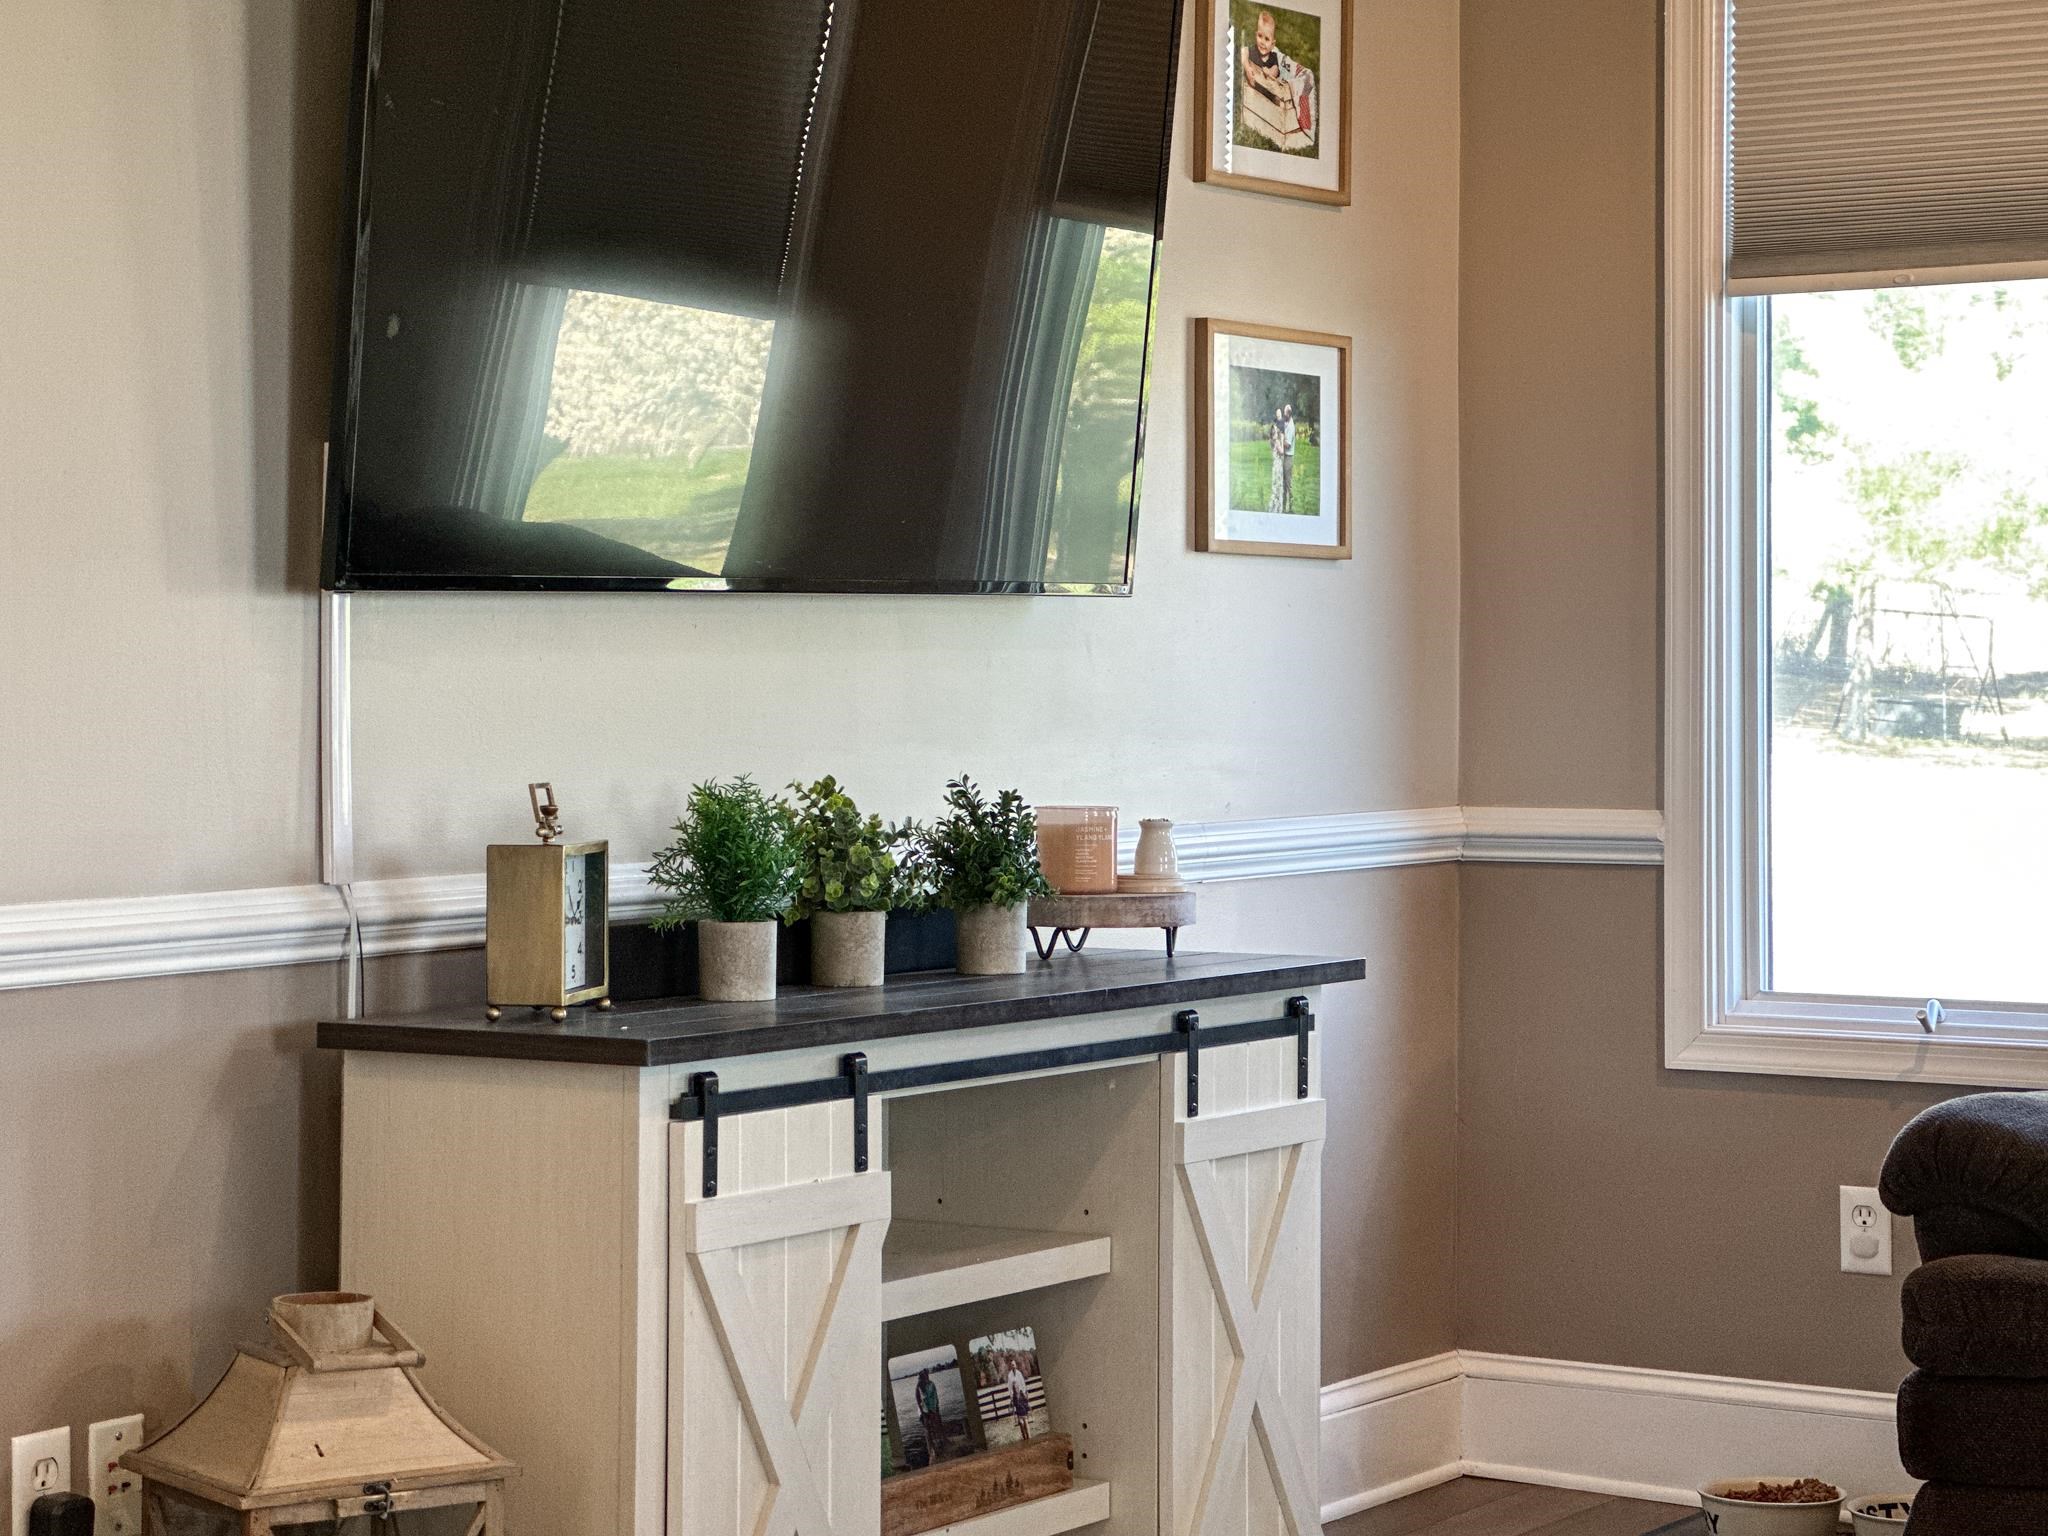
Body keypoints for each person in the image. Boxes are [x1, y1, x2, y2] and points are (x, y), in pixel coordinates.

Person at [916, 1368, 946, 1459]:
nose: (926, 1377)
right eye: (924, 1376)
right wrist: (924, 1413)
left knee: (938, 1425)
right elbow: (919, 1402)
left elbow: (935, 1397)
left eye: (927, 1375)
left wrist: (936, 1408)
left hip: (933, 1409)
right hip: (923, 1411)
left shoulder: (931, 1384)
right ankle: (931, 1450)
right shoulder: (918, 1388)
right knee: (928, 1430)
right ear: (921, 1377)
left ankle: (942, 1441)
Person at [1006, 1361, 1033, 1440]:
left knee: (1025, 1421)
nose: (1013, 1366)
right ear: (1010, 1366)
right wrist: (1011, 1396)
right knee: (1021, 1422)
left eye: (1014, 1365)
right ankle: (1024, 1437)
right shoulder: (1009, 1375)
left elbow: (1023, 1384)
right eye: (1011, 1365)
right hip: (1015, 1396)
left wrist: (1024, 1393)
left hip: (1021, 1394)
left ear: (1016, 1365)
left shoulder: (1019, 1373)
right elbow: (1009, 1387)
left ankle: (1029, 1437)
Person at [1267, 408, 1286, 514]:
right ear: (1275, 432)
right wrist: (1282, 440)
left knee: (1275, 485)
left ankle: (1274, 507)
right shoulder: (1277, 441)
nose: (1278, 430)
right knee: (1278, 486)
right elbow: (1282, 452)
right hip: (1278, 465)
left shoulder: (1271, 441)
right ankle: (1277, 508)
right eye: (1276, 429)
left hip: (1275, 465)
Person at [1281, 404, 1296, 512]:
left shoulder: (1291, 427)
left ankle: (1290, 507)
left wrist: (1279, 441)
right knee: (1283, 482)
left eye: (1285, 413)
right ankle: (1283, 505)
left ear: (1289, 414)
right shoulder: (1286, 423)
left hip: (1288, 457)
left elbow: (1288, 445)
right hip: (1285, 456)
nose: (1283, 414)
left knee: (1288, 483)